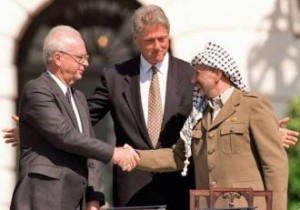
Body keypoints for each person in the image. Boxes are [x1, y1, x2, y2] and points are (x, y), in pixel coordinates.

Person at [1, 4, 297, 210]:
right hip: (133, 190)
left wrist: (264, 133)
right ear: (136, 40)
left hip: (187, 189)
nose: (157, 47)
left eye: (163, 39)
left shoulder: (190, 74)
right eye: (150, 41)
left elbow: (223, 115)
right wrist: (36, 127)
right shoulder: (115, 76)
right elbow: (81, 121)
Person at [134, 42, 289, 210]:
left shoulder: (252, 106)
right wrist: (134, 157)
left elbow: (274, 165)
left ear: (216, 74)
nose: (193, 80)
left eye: (197, 73)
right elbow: (177, 156)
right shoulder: (198, 115)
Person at [9, 25, 139, 210]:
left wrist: (94, 198)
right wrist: (114, 153)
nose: (86, 63)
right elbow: (64, 135)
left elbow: (88, 148)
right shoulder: (36, 89)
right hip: (43, 198)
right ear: (58, 58)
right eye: (80, 58)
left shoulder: (78, 98)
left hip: (76, 200)